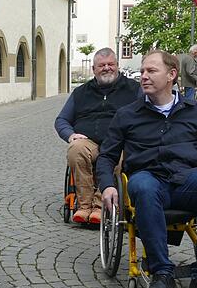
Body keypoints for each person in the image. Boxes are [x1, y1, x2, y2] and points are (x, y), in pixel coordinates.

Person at [96, 50, 197, 288]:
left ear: (171, 75)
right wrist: (106, 186)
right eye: (143, 71)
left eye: (151, 71)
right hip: (148, 178)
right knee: (143, 186)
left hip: (186, 180)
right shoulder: (127, 115)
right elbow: (106, 157)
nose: (143, 76)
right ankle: (162, 273)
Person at [54, 47, 140, 224]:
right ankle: (84, 205)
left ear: (117, 66)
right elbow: (62, 120)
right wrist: (70, 135)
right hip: (89, 141)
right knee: (75, 149)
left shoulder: (134, 90)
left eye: (111, 64)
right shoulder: (81, 92)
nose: (107, 68)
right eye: (101, 65)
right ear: (94, 69)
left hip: (118, 141)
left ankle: (101, 205)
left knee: (119, 154)